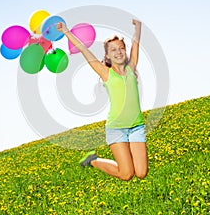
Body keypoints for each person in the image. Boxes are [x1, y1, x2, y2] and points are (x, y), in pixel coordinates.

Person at [57, 20, 148, 181]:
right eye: (113, 49)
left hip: (136, 128)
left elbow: (136, 43)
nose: (118, 52)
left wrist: (138, 27)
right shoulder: (105, 73)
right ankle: (93, 161)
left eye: (121, 48)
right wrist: (65, 32)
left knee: (141, 173)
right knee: (126, 174)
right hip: (117, 129)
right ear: (107, 55)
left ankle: (126, 160)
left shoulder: (131, 68)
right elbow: (83, 49)